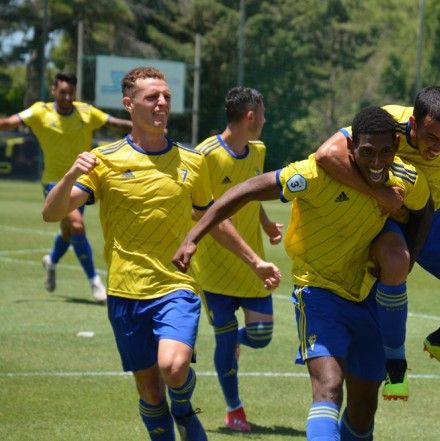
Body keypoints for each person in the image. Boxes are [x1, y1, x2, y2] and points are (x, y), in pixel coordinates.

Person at [41, 66, 280, 441]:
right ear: (128, 104)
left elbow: (212, 219)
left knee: (173, 366)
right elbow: (51, 212)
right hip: (125, 292)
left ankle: (184, 407)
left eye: (166, 96)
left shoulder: (191, 161)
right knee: (151, 394)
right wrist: (71, 174)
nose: (162, 103)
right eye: (152, 97)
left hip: (176, 286)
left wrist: (254, 260)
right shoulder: (105, 159)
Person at [172, 106, 433, 441]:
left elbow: (425, 210)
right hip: (318, 291)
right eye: (367, 152)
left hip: (367, 295)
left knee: (364, 408)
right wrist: (193, 237)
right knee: (328, 388)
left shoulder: (406, 179)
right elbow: (248, 189)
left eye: (385, 151)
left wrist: (408, 262)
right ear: (351, 147)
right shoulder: (313, 175)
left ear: (396, 146)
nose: (378, 162)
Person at [315, 86, 440, 398]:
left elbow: (435, 174)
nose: (438, 148)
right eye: (430, 137)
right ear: (412, 124)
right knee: (396, 263)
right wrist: (379, 194)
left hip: (433, 215)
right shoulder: (388, 123)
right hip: (389, 217)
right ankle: (395, 362)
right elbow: (327, 154)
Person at [192, 86, 283, 432]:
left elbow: (251, 194)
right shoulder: (206, 155)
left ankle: (227, 344)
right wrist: (252, 258)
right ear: (250, 116)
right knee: (226, 341)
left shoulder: (258, 150)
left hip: (251, 264)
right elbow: (213, 214)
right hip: (215, 268)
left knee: (261, 335)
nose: (265, 120)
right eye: (263, 113)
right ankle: (234, 410)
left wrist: (265, 224)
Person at [0, 72, 133, 303]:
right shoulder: (40, 111)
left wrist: (141, 123)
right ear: (54, 91)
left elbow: (114, 123)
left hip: (83, 182)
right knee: (77, 225)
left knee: (68, 231)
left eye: (71, 92)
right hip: (54, 182)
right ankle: (95, 282)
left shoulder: (86, 112)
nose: (67, 97)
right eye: (62, 92)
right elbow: (10, 122)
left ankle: (51, 260)